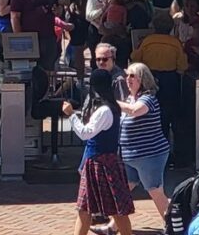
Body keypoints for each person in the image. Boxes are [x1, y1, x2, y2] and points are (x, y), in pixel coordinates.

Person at [65, 68, 133, 235]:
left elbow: (85, 133)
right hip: (106, 162)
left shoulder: (104, 111)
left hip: (99, 163)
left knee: (114, 210)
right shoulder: (113, 107)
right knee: (87, 208)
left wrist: (71, 114)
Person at [119, 62, 172, 220]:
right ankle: (113, 226)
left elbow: (135, 111)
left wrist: (112, 102)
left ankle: (173, 226)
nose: (128, 79)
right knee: (125, 189)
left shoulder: (148, 99)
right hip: (130, 156)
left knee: (155, 191)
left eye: (132, 76)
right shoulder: (129, 99)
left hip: (150, 155)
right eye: (127, 75)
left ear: (142, 79)